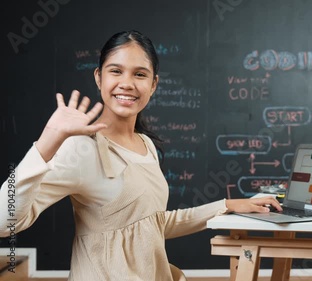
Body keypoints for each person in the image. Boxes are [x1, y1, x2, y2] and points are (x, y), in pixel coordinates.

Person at [0, 30, 281, 280]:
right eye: (115, 71)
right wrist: (48, 140)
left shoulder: (145, 145)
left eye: (139, 74)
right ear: (98, 77)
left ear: (154, 84)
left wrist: (227, 205)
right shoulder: (81, 148)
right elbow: (4, 222)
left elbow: (153, 225)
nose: (127, 83)